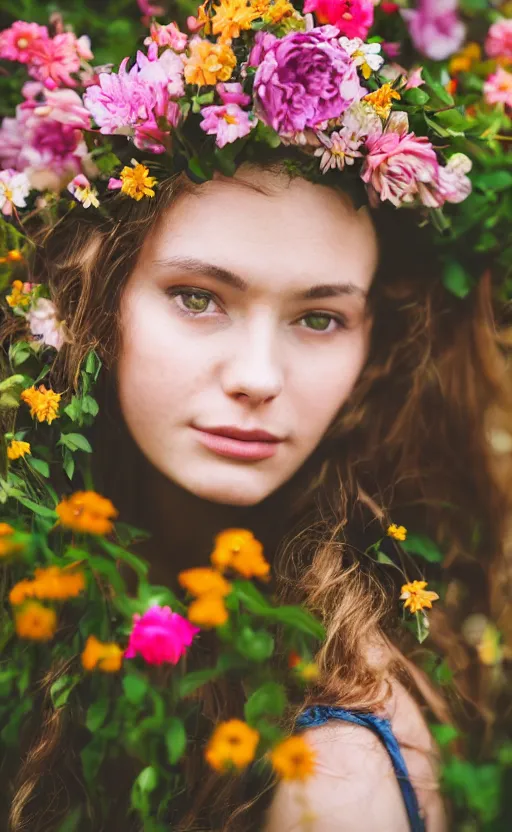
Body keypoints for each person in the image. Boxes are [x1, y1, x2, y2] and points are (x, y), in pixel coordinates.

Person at [1, 5, 510, 832]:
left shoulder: (337, 769)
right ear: (92, 296)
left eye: (319, 318)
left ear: (373, 338)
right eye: (198, 298)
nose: (258, 378)